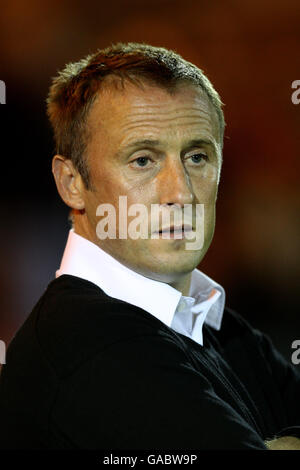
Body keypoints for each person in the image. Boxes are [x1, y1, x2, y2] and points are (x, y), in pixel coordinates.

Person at [0, 42, 299, 450]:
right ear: (72, 183)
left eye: (196, 157)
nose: (181, 192)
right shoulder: (88, 347)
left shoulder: (219, 327)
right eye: (143, 160)